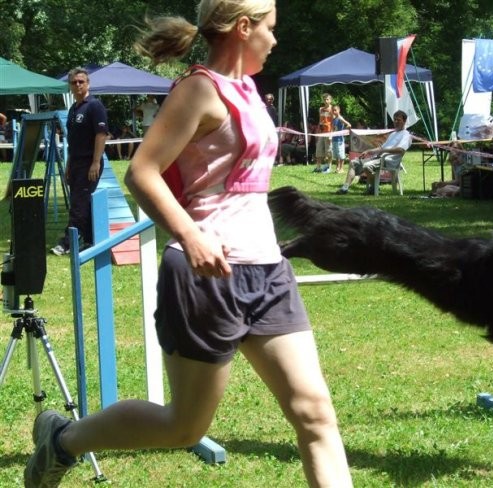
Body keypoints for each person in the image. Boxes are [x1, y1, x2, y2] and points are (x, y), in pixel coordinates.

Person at [24, 2, 353, 488]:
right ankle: (64, 440)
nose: (275, 40)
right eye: (271, 29)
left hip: (268, 271)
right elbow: (142, 170)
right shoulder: (200, 89)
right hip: (205, 275)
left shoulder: (248, 88)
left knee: (316, 414)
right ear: (244, 28)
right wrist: (190, 233)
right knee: (184, 426)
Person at [50, 68, 109, 256]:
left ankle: (67, 243)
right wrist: (68, 165)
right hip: (74, 163)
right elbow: (73, 141)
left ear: (88, 84)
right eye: (74, 82)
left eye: (81, 81)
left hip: (89, 163)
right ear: (70, 86)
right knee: (84, 203)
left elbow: (101, 135)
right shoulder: (73, 109)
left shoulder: (95, 106)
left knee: (78, 204)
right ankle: (91, 241)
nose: (78, 85)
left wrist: (96, 162)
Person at [336, 110, 411, 195]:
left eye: (399, 120)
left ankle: (374, 188)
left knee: (367, 166)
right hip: (379, 158)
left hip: (389, 160)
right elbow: (381, 147)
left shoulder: (406, 135)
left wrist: (384, 151)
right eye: (395, 120)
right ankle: (345, 188)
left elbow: (401, 150)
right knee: (353, 163)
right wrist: (368, 151)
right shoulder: (393, 134)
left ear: (404, 121)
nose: (396, 122)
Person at [313, 93, 333, 173]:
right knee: (319, 150)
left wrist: (331, 134)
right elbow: (319, 121)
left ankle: (328, 167)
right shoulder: (321, 109)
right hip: (321, 132)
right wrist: (317, 132)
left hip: (329, 132)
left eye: (327, 99)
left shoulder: (332, 109)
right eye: (324, 99)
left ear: (330, 100)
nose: (326, 101)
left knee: (328, 151)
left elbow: (333, 123)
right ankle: (318, 167)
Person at [331, 105, 351, 173]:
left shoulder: (340, 118)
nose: (334, 111)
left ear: (339, 110)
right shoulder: (333, 119)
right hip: (334, 139)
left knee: (341, 154)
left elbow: (349, 124)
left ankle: (341, 168)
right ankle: (337, 167)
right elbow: (333, 129)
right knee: (336, 155)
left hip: (340, 140)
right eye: (333, 110)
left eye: (335, 110)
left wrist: (344, 131)